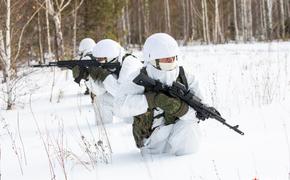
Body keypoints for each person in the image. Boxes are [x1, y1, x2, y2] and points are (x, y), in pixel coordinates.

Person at [114, 33, 205, 156]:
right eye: (166, 59)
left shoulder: (185, 77)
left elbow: (200, 112)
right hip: (151, 140)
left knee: (191, 129)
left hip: (179, 135)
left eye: (173, 58)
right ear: (152, 60)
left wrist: (180, 109)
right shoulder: (139, 78)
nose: (171, 61)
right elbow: (119, 108)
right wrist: (153, 100)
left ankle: (184, 166)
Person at [85, 39, 143, 124]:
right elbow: (99, 92)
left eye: (101, 59)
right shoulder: (112, 66)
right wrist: (87, 78)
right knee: (101, 100)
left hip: (140, 105)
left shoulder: (129, 63)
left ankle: (126, 128)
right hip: (128, 103)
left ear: (111, 57)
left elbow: (120, 92)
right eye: (97, 59)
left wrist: (103, 75)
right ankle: (104, 132)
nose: (99, 62)